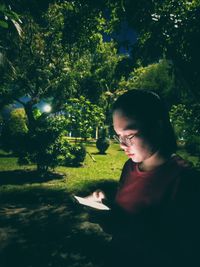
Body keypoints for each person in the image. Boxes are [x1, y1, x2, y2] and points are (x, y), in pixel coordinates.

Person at [87, 89, 200, 267]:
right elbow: (128, 209)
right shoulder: (129, 167)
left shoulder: (185, 180)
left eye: (130, 135)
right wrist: (105, 203)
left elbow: (181, 250)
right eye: (119, 136)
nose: (123, 145)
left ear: (157, 126)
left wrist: (119, 226)